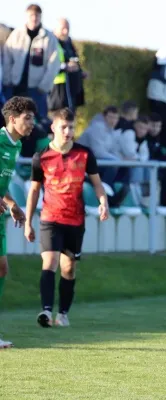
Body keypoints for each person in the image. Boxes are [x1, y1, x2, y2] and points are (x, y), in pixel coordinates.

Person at [24, 108, 109, 328]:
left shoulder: (85, 154)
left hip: (75, 220)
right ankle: (45, 311)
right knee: (49, 261)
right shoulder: (40, 156)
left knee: (68, 268)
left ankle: (62, 313)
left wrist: (103, 202)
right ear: (54, 128)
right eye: (64, 126)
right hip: (50, 217)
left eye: (72, 127)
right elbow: (34, 191)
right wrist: (27, 222)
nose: (68, 131)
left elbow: (97, 184)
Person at [0, 96, 34, 348]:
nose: (32, 123)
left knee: (2, 269)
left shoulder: (16, 145)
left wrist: (12, 204)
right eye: (27, 118)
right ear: (13, 119)